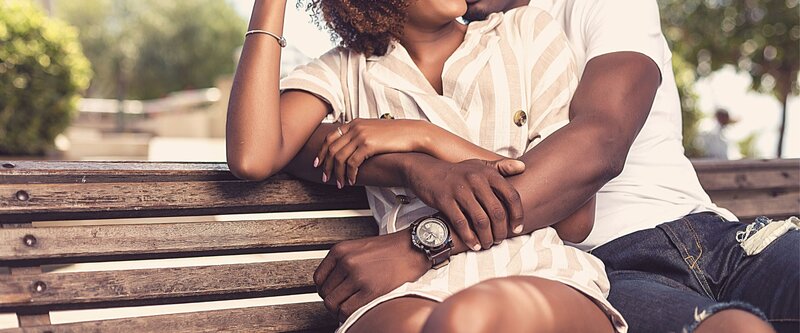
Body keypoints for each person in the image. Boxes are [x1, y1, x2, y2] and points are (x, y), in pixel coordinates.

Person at [287, 0, 798, 332]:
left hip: (719, 236)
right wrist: (408, 162)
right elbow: (292, 146)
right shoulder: (451, 47)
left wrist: (425, 241)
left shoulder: (589, 8)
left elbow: (599, 144)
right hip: (604, 267)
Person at [226, 0, 625, 332]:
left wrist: (425, 137)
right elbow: (252, 155)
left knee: (465, 321)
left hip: (539, 270)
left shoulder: (526, 33)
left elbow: (574, 217)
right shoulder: (345, 70)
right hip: (404, 287)